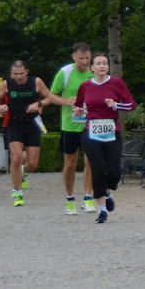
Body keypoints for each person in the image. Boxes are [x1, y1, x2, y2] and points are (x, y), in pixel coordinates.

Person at [72, 54, 135, 224]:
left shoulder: (116, 83)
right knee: (97, 168)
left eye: (105, 63)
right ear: (92, 67)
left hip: (112, 131)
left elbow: (131, 105)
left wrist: (116, 105)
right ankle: (102, 210)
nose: (102, 66)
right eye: (98, 63)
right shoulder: (85, 86)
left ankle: (107, 191)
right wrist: (78, 112)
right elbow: (78, 106)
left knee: (114, 171)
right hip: (91, 131)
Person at [45, 44, 97, 215]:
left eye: (87, 58)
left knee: (90, 161)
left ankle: (88, 197)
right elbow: (51, 95)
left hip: (90, 124)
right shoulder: (65, 72)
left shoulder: (95, 71)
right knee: (70, 162)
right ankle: (69, 198)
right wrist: (66, 101)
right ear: (73, 57)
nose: (84, 62)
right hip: (70, 125)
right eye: (81, 58)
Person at [0, 60, 51, 206]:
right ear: (11, 74)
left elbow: (50, 97)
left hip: (32, 125)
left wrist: (38, 104)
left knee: (32, 164)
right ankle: (18, 192)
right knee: (16, 157)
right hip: (14, 124)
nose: (18, 77)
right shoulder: (6, 84)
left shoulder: (36, 82)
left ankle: (23, 171)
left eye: (21, 73)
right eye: (15, 74)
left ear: (27, 72)